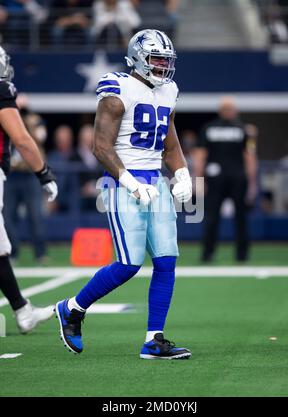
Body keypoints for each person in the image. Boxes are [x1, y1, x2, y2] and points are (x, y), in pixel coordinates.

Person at [55, 29, 192, 360]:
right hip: (122, 182)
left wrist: (182, 172)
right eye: (157, 59)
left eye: (166, 61)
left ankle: (153, 340)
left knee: (166, 260)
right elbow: (100, 146)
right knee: (129, 264)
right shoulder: (117, 88)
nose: (162, 67)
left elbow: (169, 142)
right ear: (139, 58)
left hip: (156, 183)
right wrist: (130, 182)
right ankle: (72, 308)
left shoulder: (169, 90)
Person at [0, 46, 58, 333]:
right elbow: (21, 139)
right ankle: (23, 310)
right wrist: (44, 173)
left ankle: (22, 310)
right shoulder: (2, 89)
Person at [195, 97, 258, 263]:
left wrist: (252, 182)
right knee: (215, 217)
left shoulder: (243, 130)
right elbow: (201, 155)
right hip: (226, 178)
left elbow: (249, 156)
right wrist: (199, 180)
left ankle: (237, 254)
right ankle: (212, 253)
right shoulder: (243, 129)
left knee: (237, 217)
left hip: (231, 178)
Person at [3, 93, 48, 263]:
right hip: (11, 174)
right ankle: (12, 252)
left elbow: (40, 138)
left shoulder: (35, 120)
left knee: (35, 215)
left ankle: (40, 252)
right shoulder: (5, 118)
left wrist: (25, 125)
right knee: (8, 215)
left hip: (30, 174)